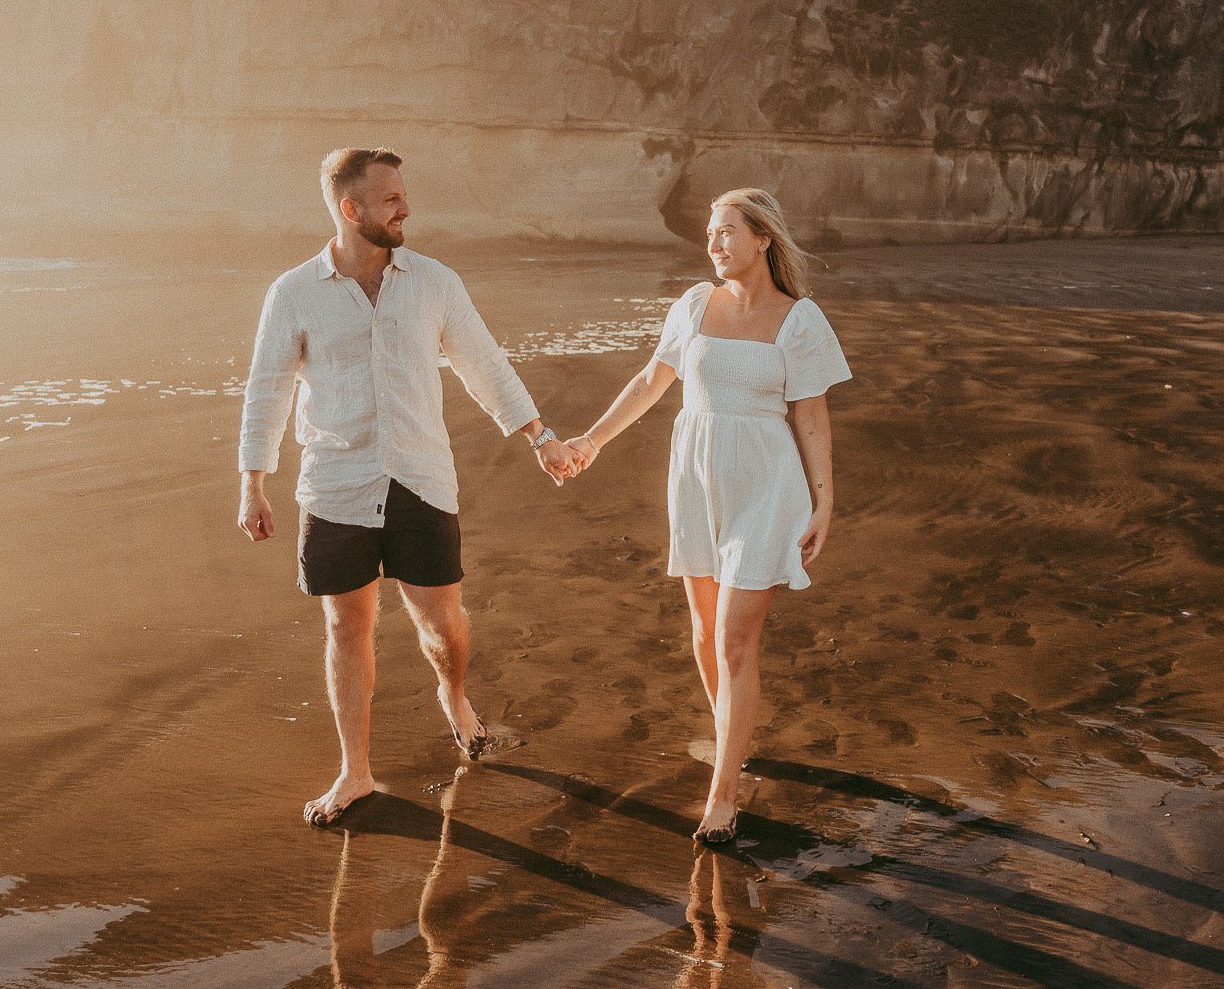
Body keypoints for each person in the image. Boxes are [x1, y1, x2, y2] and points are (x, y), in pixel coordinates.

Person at [236, 147, 585, 827]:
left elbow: (484, 363)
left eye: (403, 194)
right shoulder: (293, 292)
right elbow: (266, 390)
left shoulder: (434, 282)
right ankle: (356, 771)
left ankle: (452, 691)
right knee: (345, 626)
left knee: (441, 621)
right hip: (335, 483)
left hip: (422, 479)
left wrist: (540, 437)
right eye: (391, 197)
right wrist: (253, 483)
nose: (405, 207)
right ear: (351, 208)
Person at [565, 189, 849, 842]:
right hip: (696, 481)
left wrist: (824, 499)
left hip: (766, 485)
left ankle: (723, 793)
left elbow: (810, 416)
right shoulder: (693, 304)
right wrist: (591, 440)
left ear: (763, 240)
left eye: (726, 231)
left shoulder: (799, 319)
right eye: (710, 233)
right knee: (702, 631)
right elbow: (649, 382)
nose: (713, 243)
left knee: (734, 639)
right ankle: (733, 735)